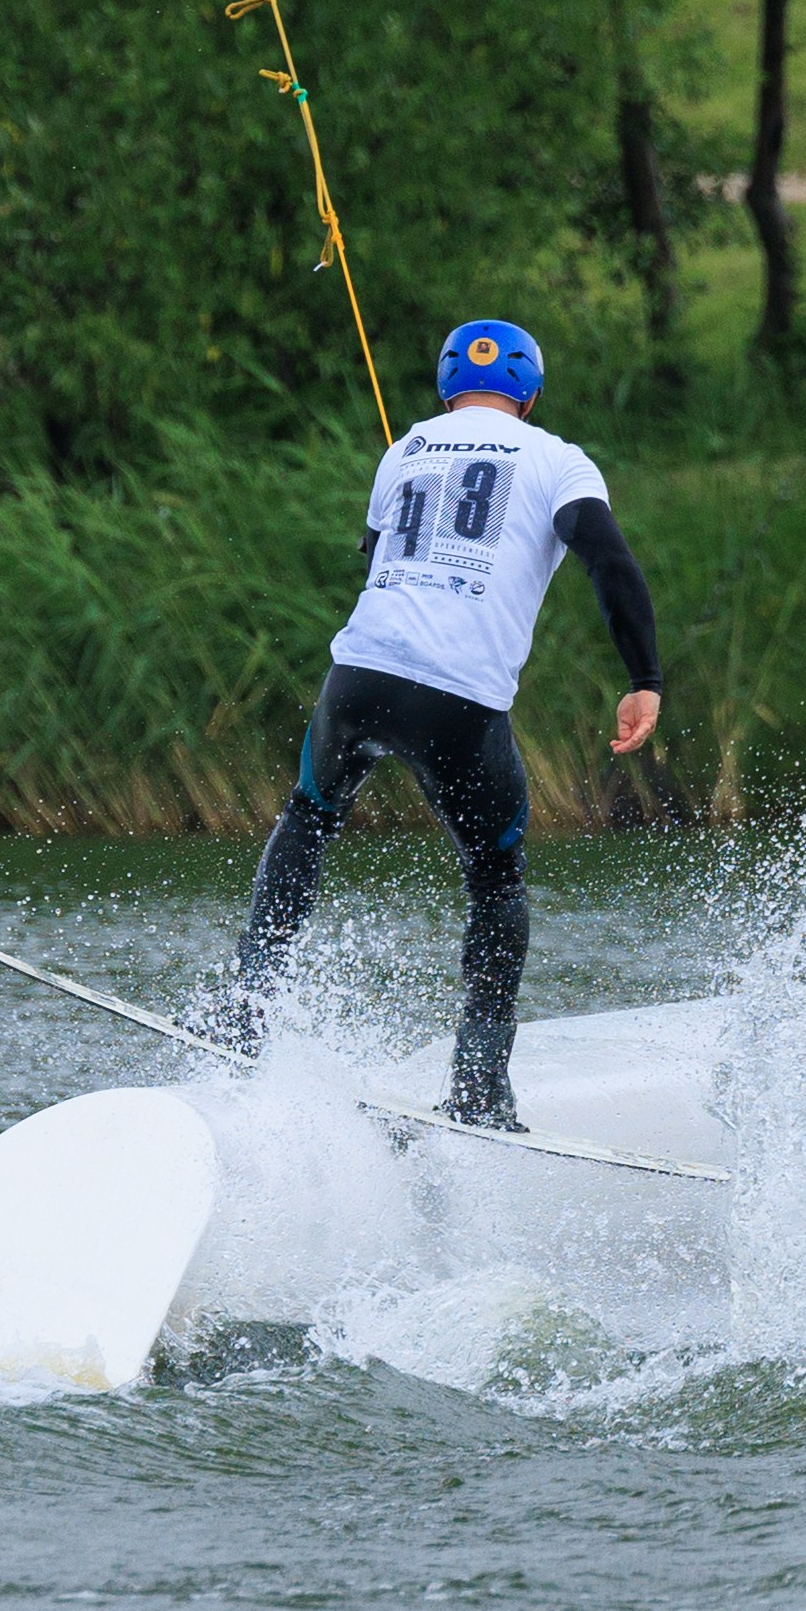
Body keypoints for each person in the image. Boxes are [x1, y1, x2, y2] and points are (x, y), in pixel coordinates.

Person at [228, 317, 662, 1126]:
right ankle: (478, 1086)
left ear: (445, 385)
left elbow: (374, 556)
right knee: (496, 880)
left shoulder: (405, 450)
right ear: (531, 394)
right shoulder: (559, 461)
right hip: (458, 699)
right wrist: (645, 679)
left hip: (357, 677)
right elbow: (609, 561)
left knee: (309, 818)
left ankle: (245, 1013)